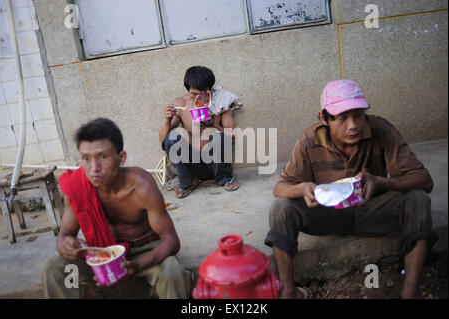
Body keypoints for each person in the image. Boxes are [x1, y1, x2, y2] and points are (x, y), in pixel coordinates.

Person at [264, 79, 438, 299]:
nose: (353, 124)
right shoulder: (309, 139)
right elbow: (280, 188)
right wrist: (303, 188)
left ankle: (409, 292)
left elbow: (424, 180)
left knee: (418, 199)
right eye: (342, 118)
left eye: (358, 115)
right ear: (324, 118)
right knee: (281, 207)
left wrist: (382, 182)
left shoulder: (381, 130)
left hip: (372, 209)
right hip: (327, 214)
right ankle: (289, 292)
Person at [41, 118, 191, 298]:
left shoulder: (141, 187)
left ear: (121, 158)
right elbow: (65, 233)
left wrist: (137, 266)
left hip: (143, 253)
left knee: (172, 270)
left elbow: (171, 241)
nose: (94, 168)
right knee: (55, 268)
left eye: (103, 157)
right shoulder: (78, 187)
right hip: (100, 256)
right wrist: (64, 244)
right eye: (86, 159)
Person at [159, 66, 240, 199]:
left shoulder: (221, 102)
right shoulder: (180, 104)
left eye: (202, 94)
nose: (197, 98)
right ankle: (189, 181)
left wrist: (214, 125)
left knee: (219, 136)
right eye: (193, 94)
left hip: (217, 163)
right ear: (188, 90)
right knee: (172, 138)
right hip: (194, 165)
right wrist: (167, 120)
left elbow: (232, 138)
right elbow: (163, 141)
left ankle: (225, 178)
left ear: (210, 90)